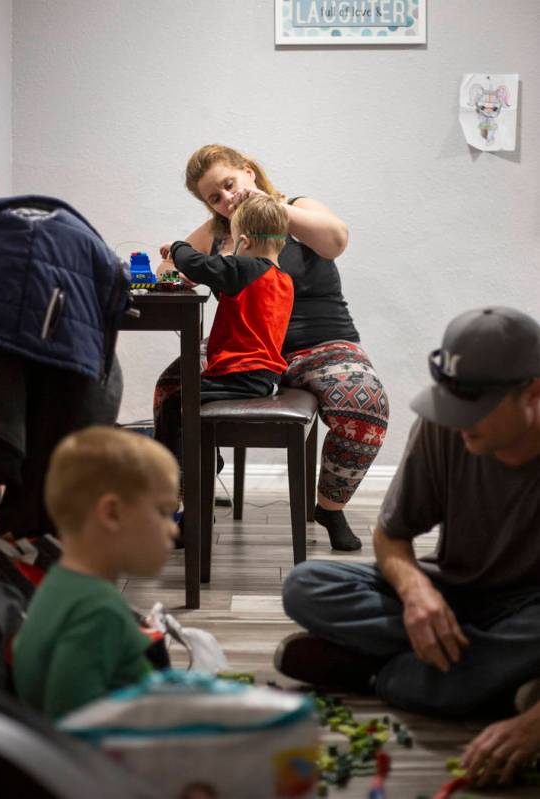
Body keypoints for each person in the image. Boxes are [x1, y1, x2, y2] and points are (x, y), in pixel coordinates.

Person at [277, 307, 540, 730]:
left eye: (475, 406)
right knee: (306, 586)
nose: (459, 421)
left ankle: (381, 675)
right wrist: (417, 593)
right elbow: (391, 536)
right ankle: (502, 682)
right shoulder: (445, 424)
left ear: (533, 392)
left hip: (531, 609)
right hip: (454, 592)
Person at [154, 144, 389, 551]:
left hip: (319, 342)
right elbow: (166, 269)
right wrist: (184, 271)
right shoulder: (218, 230)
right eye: (214, 197)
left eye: (229, 184)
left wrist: (273, 208)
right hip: (241, 346)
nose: (226, 199)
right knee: (171, 388)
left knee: (366, 404)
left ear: (248, 172)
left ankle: (329, 508)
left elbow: (336, 239)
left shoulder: (296, 207)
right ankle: (193, 493)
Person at [13, 426, 180, 719]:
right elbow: (78, 730)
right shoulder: (98, 611)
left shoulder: (59, 584)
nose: (174, 528)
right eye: (164, 512)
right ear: (112, 514)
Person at [155, 194, 294, 480]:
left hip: (239, 374)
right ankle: (206, 459)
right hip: (263, 376)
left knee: (175, 404)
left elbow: (196, 263)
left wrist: (177, 247)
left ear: (244, 242)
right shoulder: (282, 278)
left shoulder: (245, 268)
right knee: (188, 397)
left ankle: (183, 476)